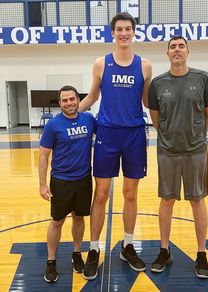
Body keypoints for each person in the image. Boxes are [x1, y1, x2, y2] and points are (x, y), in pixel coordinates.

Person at [79, 12, 152, 280]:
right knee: (101, 194)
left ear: (134, 32)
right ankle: (94, 248)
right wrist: (72, 113)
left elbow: (147, 102)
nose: (123, 33)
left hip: (133, 135)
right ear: (113, 33)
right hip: (107, 134)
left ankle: (128, 245)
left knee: (131, 194)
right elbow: (92, 96)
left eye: (128, 29)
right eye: (119, 29)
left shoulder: (145, 66)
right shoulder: (101, 64)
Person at [148, 35, 208, 278]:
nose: (177, 50)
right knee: (166, 200)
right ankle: (164, 250)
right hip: (167, 151)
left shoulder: (203, 78)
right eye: (172, 47)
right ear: (167, 54)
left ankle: (201, 254)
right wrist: (169, 135)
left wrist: (195, 134)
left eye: (181, 46)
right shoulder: (158, 83)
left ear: (188, 51)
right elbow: (155, 118)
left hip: (195, 150)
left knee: (197, 200)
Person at [38, 85, 96, 282]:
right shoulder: (53, 125)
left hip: (84, 180)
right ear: (60, 103)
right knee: (57, 221)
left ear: (78, 100)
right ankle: (51, 261)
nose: (69, 103)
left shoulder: (89, 120)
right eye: (65, 100)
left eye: (72, 99)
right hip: (61, 181)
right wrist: (42, 184)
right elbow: (44, 155)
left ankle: (76, 253)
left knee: (79, 218)